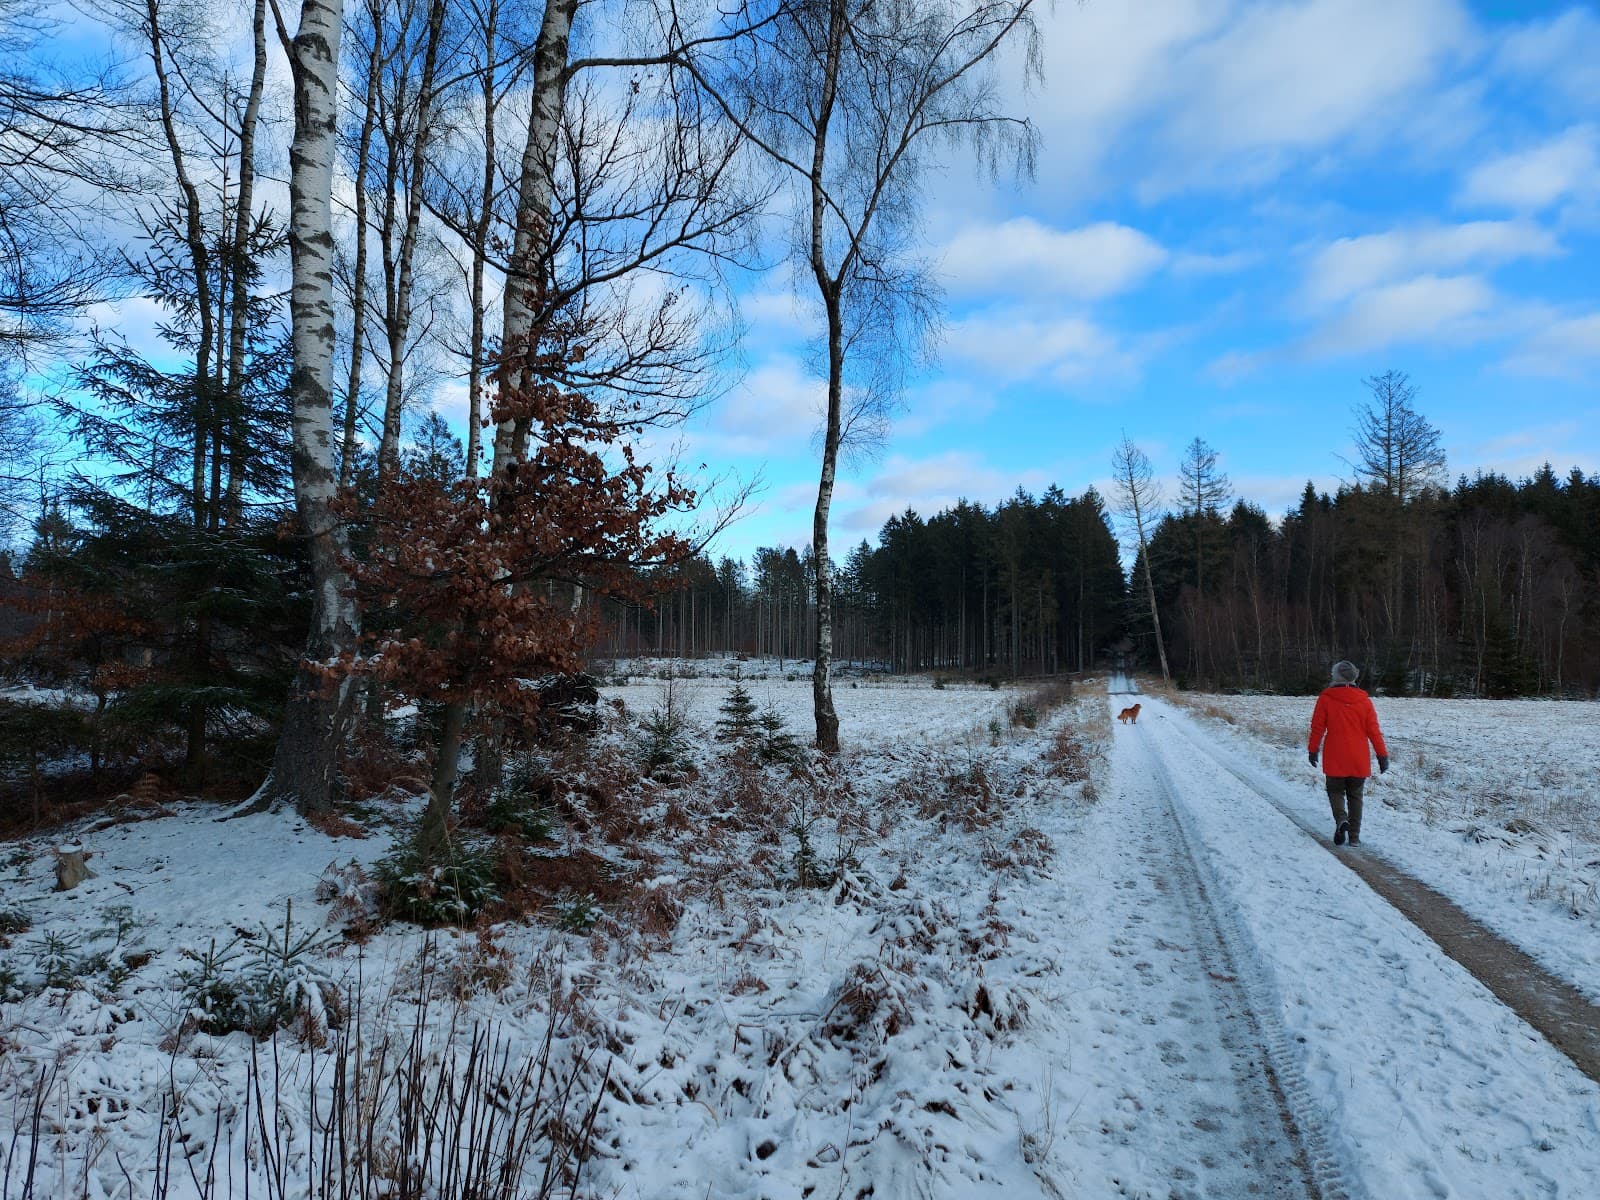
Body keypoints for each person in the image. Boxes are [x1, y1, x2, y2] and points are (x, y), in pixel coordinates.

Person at [1307, 660, 1389, 846]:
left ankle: (1341, 819)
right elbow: (1374, 730)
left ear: (1336, 676)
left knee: (1335, 791)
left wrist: (1313, 750)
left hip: (1335, 754)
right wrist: (1382, 755)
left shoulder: (1326, 698)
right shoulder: (1364, 700)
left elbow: (1317, 727)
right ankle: (1354, 837)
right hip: (1359, 756)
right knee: (1356, 795)